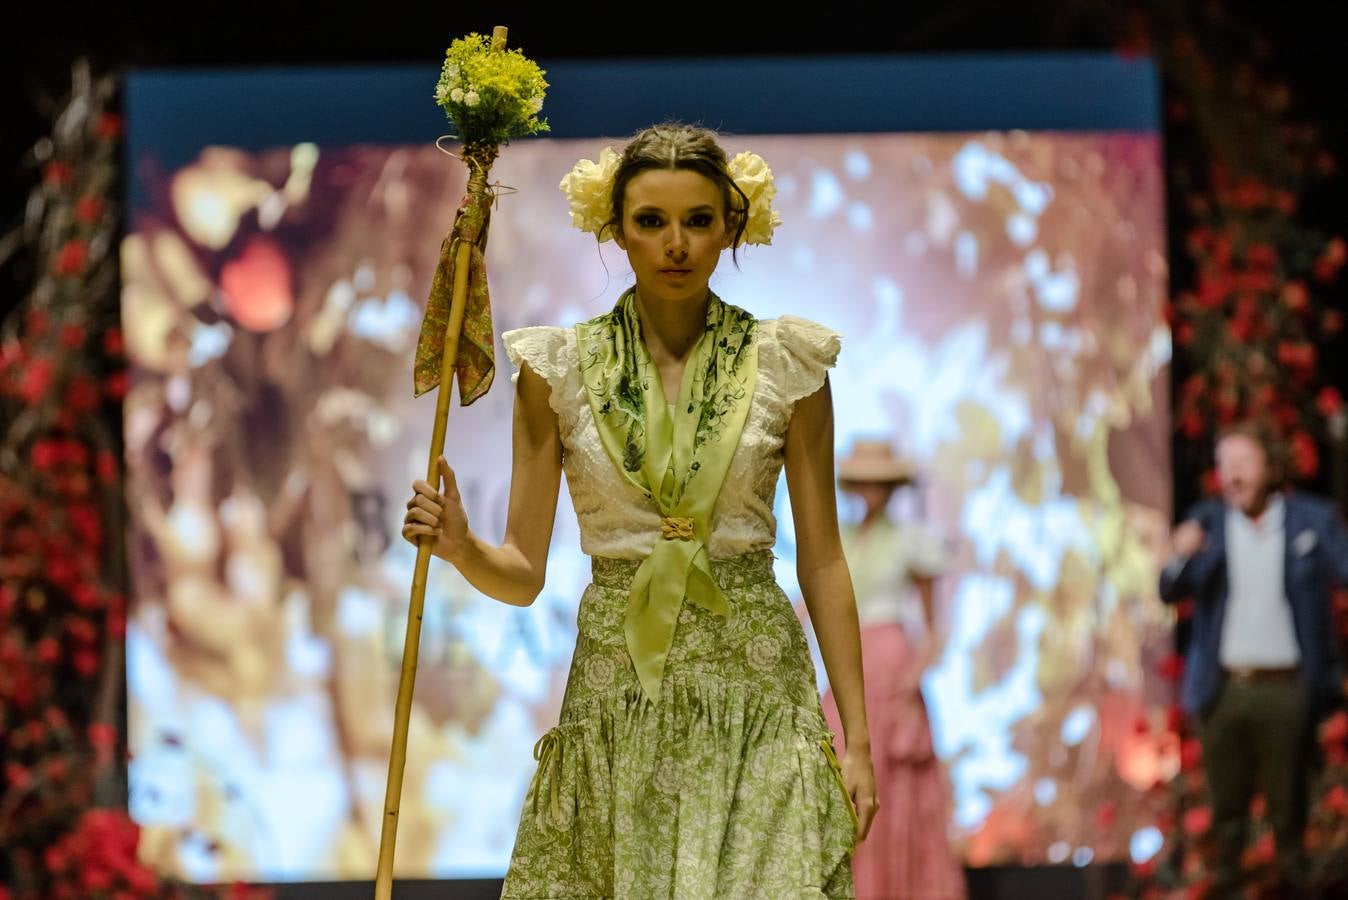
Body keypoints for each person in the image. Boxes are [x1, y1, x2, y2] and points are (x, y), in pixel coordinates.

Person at [401, 123, 875, 898]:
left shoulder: (790, 365)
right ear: (615, 228)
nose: (676, 244)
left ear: (731, 225)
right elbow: (522, 576)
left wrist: (857, 739)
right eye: (651, 221)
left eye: (697, 219)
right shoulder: (555, 371)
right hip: (621, 703)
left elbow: (822, 559)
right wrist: (459, 546)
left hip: (758, 697)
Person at [1160, 421, 1348, 897]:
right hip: (1224, 691)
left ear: (1270, 466)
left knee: (1289, 812)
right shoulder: (1209, 524)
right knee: (1227, 819)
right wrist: (1180, 557)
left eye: (1244, 463)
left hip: (1286, 688)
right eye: (1225, 465)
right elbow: (1169, 590)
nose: (1233, 476)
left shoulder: (1310, 520)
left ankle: (1292, 882)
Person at [820, 439, 966, 900]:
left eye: (880, 482)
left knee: (893, 790)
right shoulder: (838, 538)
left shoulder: (909, 540)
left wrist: (913, 678)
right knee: (838, 781)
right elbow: (815, 602)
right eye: (864, 480)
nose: (871, 490)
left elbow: (936, 625)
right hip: (847, 667)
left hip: (890, 669)